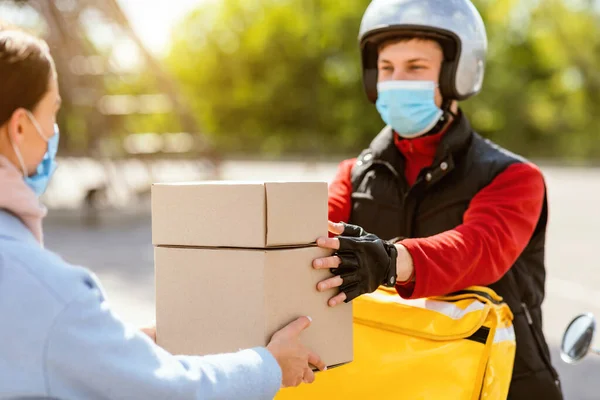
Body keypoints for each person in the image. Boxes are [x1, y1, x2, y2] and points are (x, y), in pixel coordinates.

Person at [0, 27, 325, 399]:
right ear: (22, 126)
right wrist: (269, 365)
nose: (53, 134)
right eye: (53, 112)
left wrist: (126, 348)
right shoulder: (49, 291)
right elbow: (171, 392)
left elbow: (40, 355)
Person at [312, 0, 563, 398]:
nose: (396, 81)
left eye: (415, 68)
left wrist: (391, 261)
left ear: (455, 76)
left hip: (500, 380)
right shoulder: (352, 175)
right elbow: (308, 242)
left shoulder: (514, 177)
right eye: (387, 68)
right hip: (395, 378)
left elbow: (478, 248)